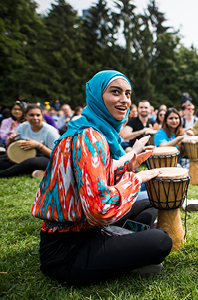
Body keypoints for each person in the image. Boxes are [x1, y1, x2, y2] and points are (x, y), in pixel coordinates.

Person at [31, 70, 172, 286]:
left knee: (150, 206)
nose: (124, 100)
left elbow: (92, 178)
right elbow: (99, 209)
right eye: (115, 92)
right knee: (160, 241)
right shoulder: (88, 137)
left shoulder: (92, 130)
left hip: (86, 230)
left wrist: (128, 165)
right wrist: (136, 179)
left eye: (128, 93)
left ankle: (126, 245)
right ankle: (127, 251)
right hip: (66, 252)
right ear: (97, 96)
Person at [0, 104, 60, 178]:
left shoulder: (51, 131)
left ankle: (3, 174)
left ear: (42, 116)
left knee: (31, 162)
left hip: (45, 159)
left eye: (38, 115)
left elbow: (56, 155)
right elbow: (13, 150)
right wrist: (10, 141)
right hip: (23, 157)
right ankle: (34, 171)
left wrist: (38, 145)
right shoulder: (22, 127)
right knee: (2, 160)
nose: (35, 118)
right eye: (31, 115)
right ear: (25, 116)